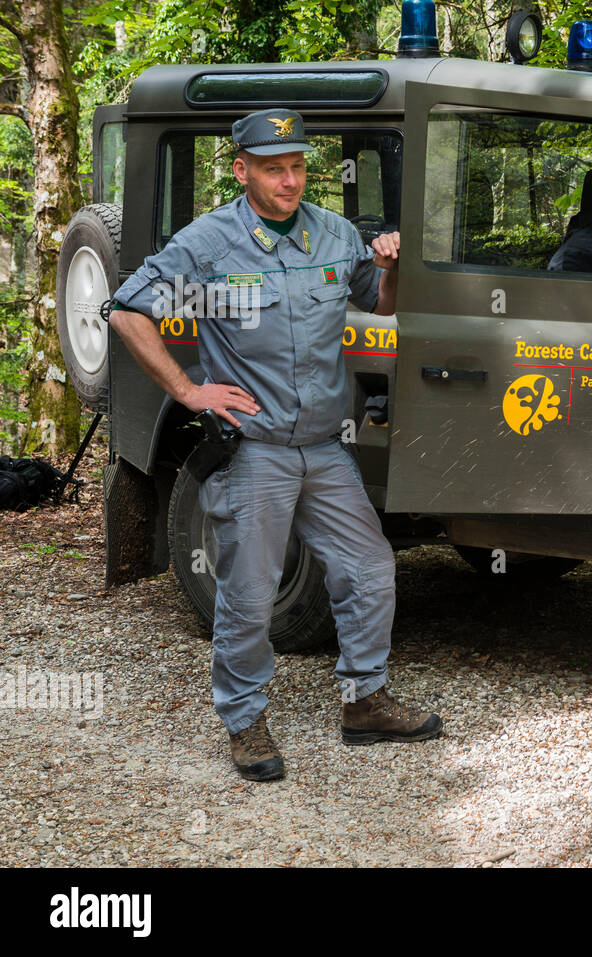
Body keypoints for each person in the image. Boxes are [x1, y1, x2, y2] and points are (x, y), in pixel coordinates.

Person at [109, 108, 442, 782]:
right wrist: (191, 390)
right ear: (243, 170)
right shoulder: (209, 245)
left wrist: (390, 267)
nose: (289, 180)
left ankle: (364, 701)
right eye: (273, 168)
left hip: (323, 448)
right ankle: (244, 720)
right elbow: (126, 309)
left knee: (371, 569)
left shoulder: (334, 233)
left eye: (296, 167)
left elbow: (377, 303)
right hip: (254, 447)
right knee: (249, 592)